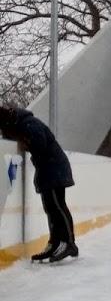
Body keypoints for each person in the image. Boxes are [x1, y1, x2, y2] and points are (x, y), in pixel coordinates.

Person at [0, 105, 78, 263]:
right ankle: (55, 243)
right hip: (46, 169)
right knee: (50, 208)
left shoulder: (29, 123)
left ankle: (69, 243)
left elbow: (39, 144)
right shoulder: (20, 125)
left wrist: (25, 144)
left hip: (54, 167)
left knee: (57, 206)